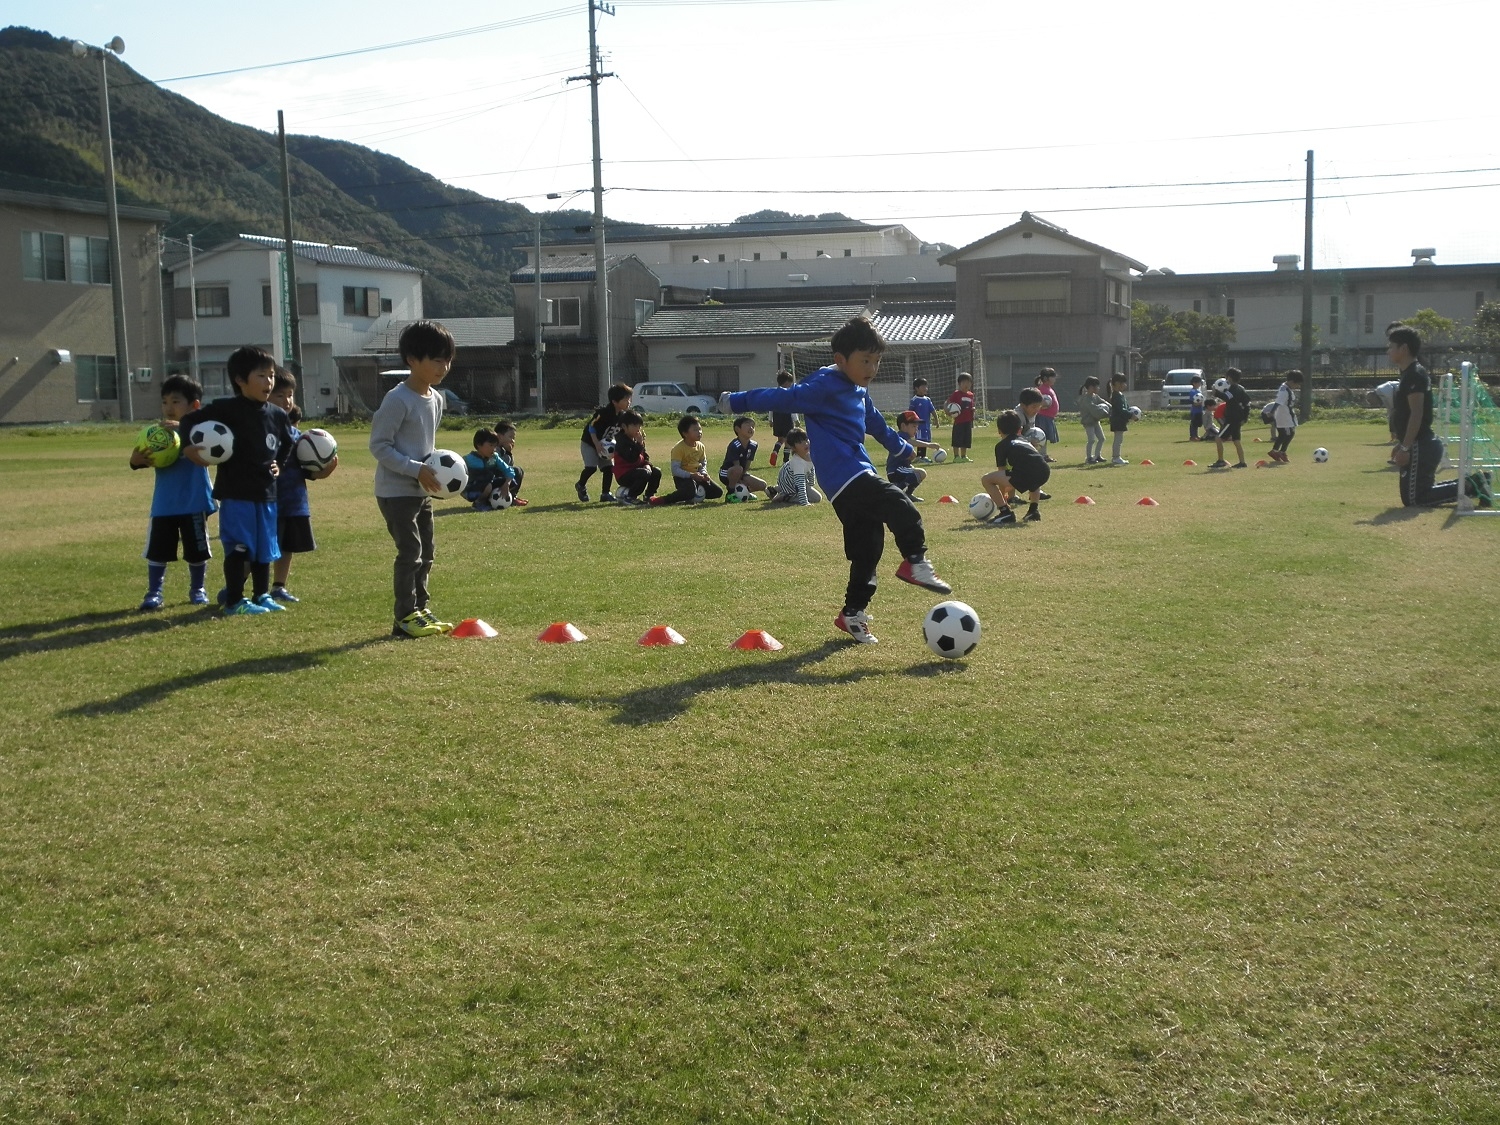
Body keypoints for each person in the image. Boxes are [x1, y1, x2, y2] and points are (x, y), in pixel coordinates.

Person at [721, 315, 952, 645]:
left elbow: (875, 422)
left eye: (876, 361)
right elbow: (780, 397)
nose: (872, 368)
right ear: (840, 360)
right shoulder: (823, 385)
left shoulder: (858, 388)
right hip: (844, 475)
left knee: (867, 549)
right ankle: (915, 560)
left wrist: (900, 445)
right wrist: (736, 401)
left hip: (853, 476)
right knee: (897, 501)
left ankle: (852, 615)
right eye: (865, 360)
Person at [180, 345, 296, 617]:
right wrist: (187, 446)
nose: (268, 382)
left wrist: (279, 462)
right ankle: (234, 600)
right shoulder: (226, 409)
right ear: (240, 380)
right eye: (261, 376)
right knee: (241, 547)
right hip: (236, 493)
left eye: (271, 376)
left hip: (266, 493)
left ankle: (261, 594)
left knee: (263, 548)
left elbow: (288, 442)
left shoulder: (277, 415)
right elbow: (189, 421)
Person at [370, 320, 459, 638]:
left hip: (422, 490)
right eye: (435, 359)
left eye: (447, 359)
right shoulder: (398, 400)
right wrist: (414, 468)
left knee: (427, 552)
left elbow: (428, 447)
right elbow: (379, 446)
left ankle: (421, 609)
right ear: (411, 359)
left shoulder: (436, 399)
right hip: (395, 491)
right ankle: (404, 617)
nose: (443, 366)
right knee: (410, 552)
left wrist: (433, 470)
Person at [129, 374, 216, 611]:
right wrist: (135, 461)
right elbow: (141, 458)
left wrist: (186, 429)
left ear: (194, 405)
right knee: (158, 550)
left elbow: (212, 454)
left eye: (176, 401)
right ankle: (154, 592)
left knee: (197, 551)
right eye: (165, 402)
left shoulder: (201, 432)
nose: (169, 407)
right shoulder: (159, 436)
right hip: (164, 504)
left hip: (194, 501)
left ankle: (198, 589)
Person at [1388, 325, 1490, 507]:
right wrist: (1401, 443)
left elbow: (1417, 414)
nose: (1389, 351)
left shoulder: (1414, 375)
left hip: (1421, 445)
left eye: (1391, 346)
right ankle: (1476, 481)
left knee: (1415, 499)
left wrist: (1406, 448)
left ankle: (1473, 485)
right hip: (1418, 443)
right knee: (1414, 495)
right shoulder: (1407, 374)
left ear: (1403, 349)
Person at [268, 370, 337, 602]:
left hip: (294, 502)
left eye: (290, 395)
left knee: (287, 547)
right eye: (280, 396)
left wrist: (324, 472)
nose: (287, 401)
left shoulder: (299, 437)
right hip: (267, 502)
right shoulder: (262, 432)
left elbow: (306, 472)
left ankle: (278, 586)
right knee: (260, 547)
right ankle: (239, 586)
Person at [981, 409, 1052, 524]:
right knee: (1033, 478)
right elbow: (1035, 460)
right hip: (1044, 471)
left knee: (986, 479)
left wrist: (1004, 496)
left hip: (1029, 472)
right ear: (1020, 429)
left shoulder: (1001, 446)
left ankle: (1005, 513)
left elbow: (1002, 470)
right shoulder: (1024, 440)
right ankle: (1033, 511)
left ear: (999, 431)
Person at [576, 383, 633, 502]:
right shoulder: (603, 413)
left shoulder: (622, 416)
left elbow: (622, 433)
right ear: (614, 401)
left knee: (608, 469)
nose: (629, 402)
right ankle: (580, 485)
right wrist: (596, 444)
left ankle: (605, 494)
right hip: (590, 442)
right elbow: (592, 427)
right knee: (591, 468)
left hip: (605, 445)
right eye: (625, 399)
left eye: (629, 398)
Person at [657, 414, 724, 505]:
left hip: (697, 476)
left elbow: (703, 462)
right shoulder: (678, 448)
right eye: (695, 430)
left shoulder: (700, 446)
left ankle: (694, 493)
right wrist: (691, 475)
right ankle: (664, 500)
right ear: (685, 433)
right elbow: (675, 470)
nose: (699, 432)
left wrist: (703, 473)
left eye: (700, 429)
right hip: (682, 478)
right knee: (689, 491)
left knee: (718, 492)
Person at [888, 410, 942, 500]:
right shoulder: (901, 436)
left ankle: (907, 494)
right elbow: (911, 442)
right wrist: (929, 445)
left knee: (918, 472)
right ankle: (896, 492)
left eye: (917, 427)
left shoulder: (904, 436)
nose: (916, 429)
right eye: (913, 426)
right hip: (896, 471)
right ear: (903, 426)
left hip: (900, 469)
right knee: (921, 473)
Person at [610, 412, 662, 504]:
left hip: (637, 471)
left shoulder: (636, 439)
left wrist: (647, 464)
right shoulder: (622, 442)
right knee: (644, 473)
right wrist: (639, 444)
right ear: (624, 426)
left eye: (639, 426)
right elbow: (631, 458)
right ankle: (630, 497)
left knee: (656, 471)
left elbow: (644, 455)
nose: (638, 429)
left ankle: (649, 495)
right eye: (634, 425)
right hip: (624, 475)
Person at [463, 427, 515, 510]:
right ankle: (478, 503)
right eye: (491, 445)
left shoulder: (494, 457)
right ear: (479, 445)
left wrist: (506, 484)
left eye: (495, 446)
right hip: (471, 489)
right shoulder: (468, 459)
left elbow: (509, 470)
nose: (494, 449)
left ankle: (506, 498)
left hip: (489, 484)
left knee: (514, 477)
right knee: (488, 477)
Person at [719, 416, 770, 500]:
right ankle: (730, 493)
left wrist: (743, 478)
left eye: (753, 426)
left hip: (741, 472)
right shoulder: (735, 445)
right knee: (738, 469)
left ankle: (744, 492)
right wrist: (741, 479)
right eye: (747, 425)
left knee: (763, 485)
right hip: (727, 473)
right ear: (737, 429)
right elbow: (736, 465)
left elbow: (748, 464)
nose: (751, 428)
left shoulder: (753, 445)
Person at [767, 428, 823, 505]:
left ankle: (776, 489)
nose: (805, 443)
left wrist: (810, 485)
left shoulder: (810, 455)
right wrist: (804, 502)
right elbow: (800, 484)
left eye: (806, 440)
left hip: (790, 481)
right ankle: (785, 496)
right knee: (817, 498)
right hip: (792, 483)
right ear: (793, 448)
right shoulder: (797, 463)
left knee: (808, 490)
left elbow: (811, 469)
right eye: (800, 442)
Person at [1209, 369, 1250, 469]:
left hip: (1231, 419)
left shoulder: (1233, 389)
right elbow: (1247, 403)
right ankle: (1242, 462)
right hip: (1238, 419)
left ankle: (1220, 461)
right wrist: (1245, 417)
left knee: (1218, 438)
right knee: (1236, 440)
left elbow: (1227, 398)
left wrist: (1216, 393)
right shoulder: (1240, 388)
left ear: (1229, 377)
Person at [1268, 369, 1302, 463]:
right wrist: (1271, 412)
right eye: (1297, 384)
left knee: (1284, 434)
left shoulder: (1286, 388)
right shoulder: (1284, 390)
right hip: (1284, 415)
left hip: (1286, 414)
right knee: (1289, 433)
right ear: (1291, 381)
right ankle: (1281, 452)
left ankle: (1276, 451)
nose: (1297, 386)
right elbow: (1278, 402)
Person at [766, 371, 800, 467]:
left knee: (780, 439)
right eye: (790, 383)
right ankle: (786, 461)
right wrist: (796, 420)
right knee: (788, 441)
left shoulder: (775, 393)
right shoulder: (788, 394)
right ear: (786, 383)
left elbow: (771, 407)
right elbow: (792, 408)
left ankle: (775, 451)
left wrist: (770, 419)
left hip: (777, 418)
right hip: (786, 418)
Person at [1077, 376, 1109, 465]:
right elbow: (1094, 409)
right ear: (1090, 387)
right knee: (1091, 440)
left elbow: (1104, 402)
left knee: (1102, 438)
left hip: (1095, 421)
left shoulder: (1095, 397)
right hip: (1088, 422)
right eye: (1096, 386)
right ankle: (1089, 458)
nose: (1098, 388)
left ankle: (1097, 455)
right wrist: (1105, 413)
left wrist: (1111, 408)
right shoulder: (1086, 399)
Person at [945, 372, 976, 462]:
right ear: (959, 384)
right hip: (959, 421)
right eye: (964, 382)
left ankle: (964, 456)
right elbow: (949, 403)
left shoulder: (971, 395)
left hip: (967, 421)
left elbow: (971, 406)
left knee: (966, 439)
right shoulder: (956, 394)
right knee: (957, 439)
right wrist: (947, 410)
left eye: (969, 382)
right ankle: (956, 456)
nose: (967, 384)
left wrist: (973, 411)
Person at [494, 421, 526, 505]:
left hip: (500, 478)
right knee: (517, 470)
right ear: (500, 436)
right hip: (493, 479)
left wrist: (508, 452)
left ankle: (512, 496)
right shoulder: (494, 449)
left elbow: (509, 466)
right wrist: (508, 452)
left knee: (518, 471)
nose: (513, 440)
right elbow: (503, 466)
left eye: (514, 438)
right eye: (510, 437)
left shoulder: (502, 449)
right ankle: (511, 497)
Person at [908, 376, 938, 462]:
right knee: (920, 440)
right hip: (919, 426)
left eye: (926, 386)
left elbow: (932, 410)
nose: (926, 388)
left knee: (926, 439)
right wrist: (911, 422)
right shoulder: (914, 400)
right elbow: (910, 412)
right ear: (917, 388)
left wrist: (936, 420)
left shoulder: (927, 400)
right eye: (923, 386)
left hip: (927, 425)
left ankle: (923, 456)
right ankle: (919, 456)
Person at [1015, 387, 1050, 461]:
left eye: (1039, 406)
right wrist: (1027, 441)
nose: (1037, 409)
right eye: (1034, 407)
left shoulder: (1031, 411)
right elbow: (1013, 436)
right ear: (1023, 405)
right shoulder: (1018, 416)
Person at [1034, 367, 1061, 460]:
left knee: (1044, 437)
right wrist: (1043, 404)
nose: (1054, 379)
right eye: (1052, 377)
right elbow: (1039, 402)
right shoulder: (1041, 389)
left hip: (1049, 417)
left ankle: (1043, 454)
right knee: (1042, 436)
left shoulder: (1048, 388)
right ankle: (1041, 455)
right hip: (1043, 417)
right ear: (1045, 378)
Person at [1107, 372, 1131, 466]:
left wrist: (1130, 412)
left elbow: (1125, 406)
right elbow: (1121, 409)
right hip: (1117, 420)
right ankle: (1116, 457)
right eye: (1123, 383)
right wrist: (1130, 415)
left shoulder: (1120, 394)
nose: (1124, 385)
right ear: (1117, 383)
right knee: (1118, 440)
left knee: (1119, 439)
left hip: (1121, 420)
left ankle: (1116, 457)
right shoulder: (1116, 395)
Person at [1188, 374, 1213, 443]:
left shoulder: (1198, 391)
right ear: (1194, 383)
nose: (1200, 384)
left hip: (1199, 410)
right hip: (1194, 411)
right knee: (1194, 424)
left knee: (1197, 423)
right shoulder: (1192, 392)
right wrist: (1197, 403)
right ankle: (1192, 436)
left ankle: (1196, 435)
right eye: (1198, 382)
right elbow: (1192, 401)